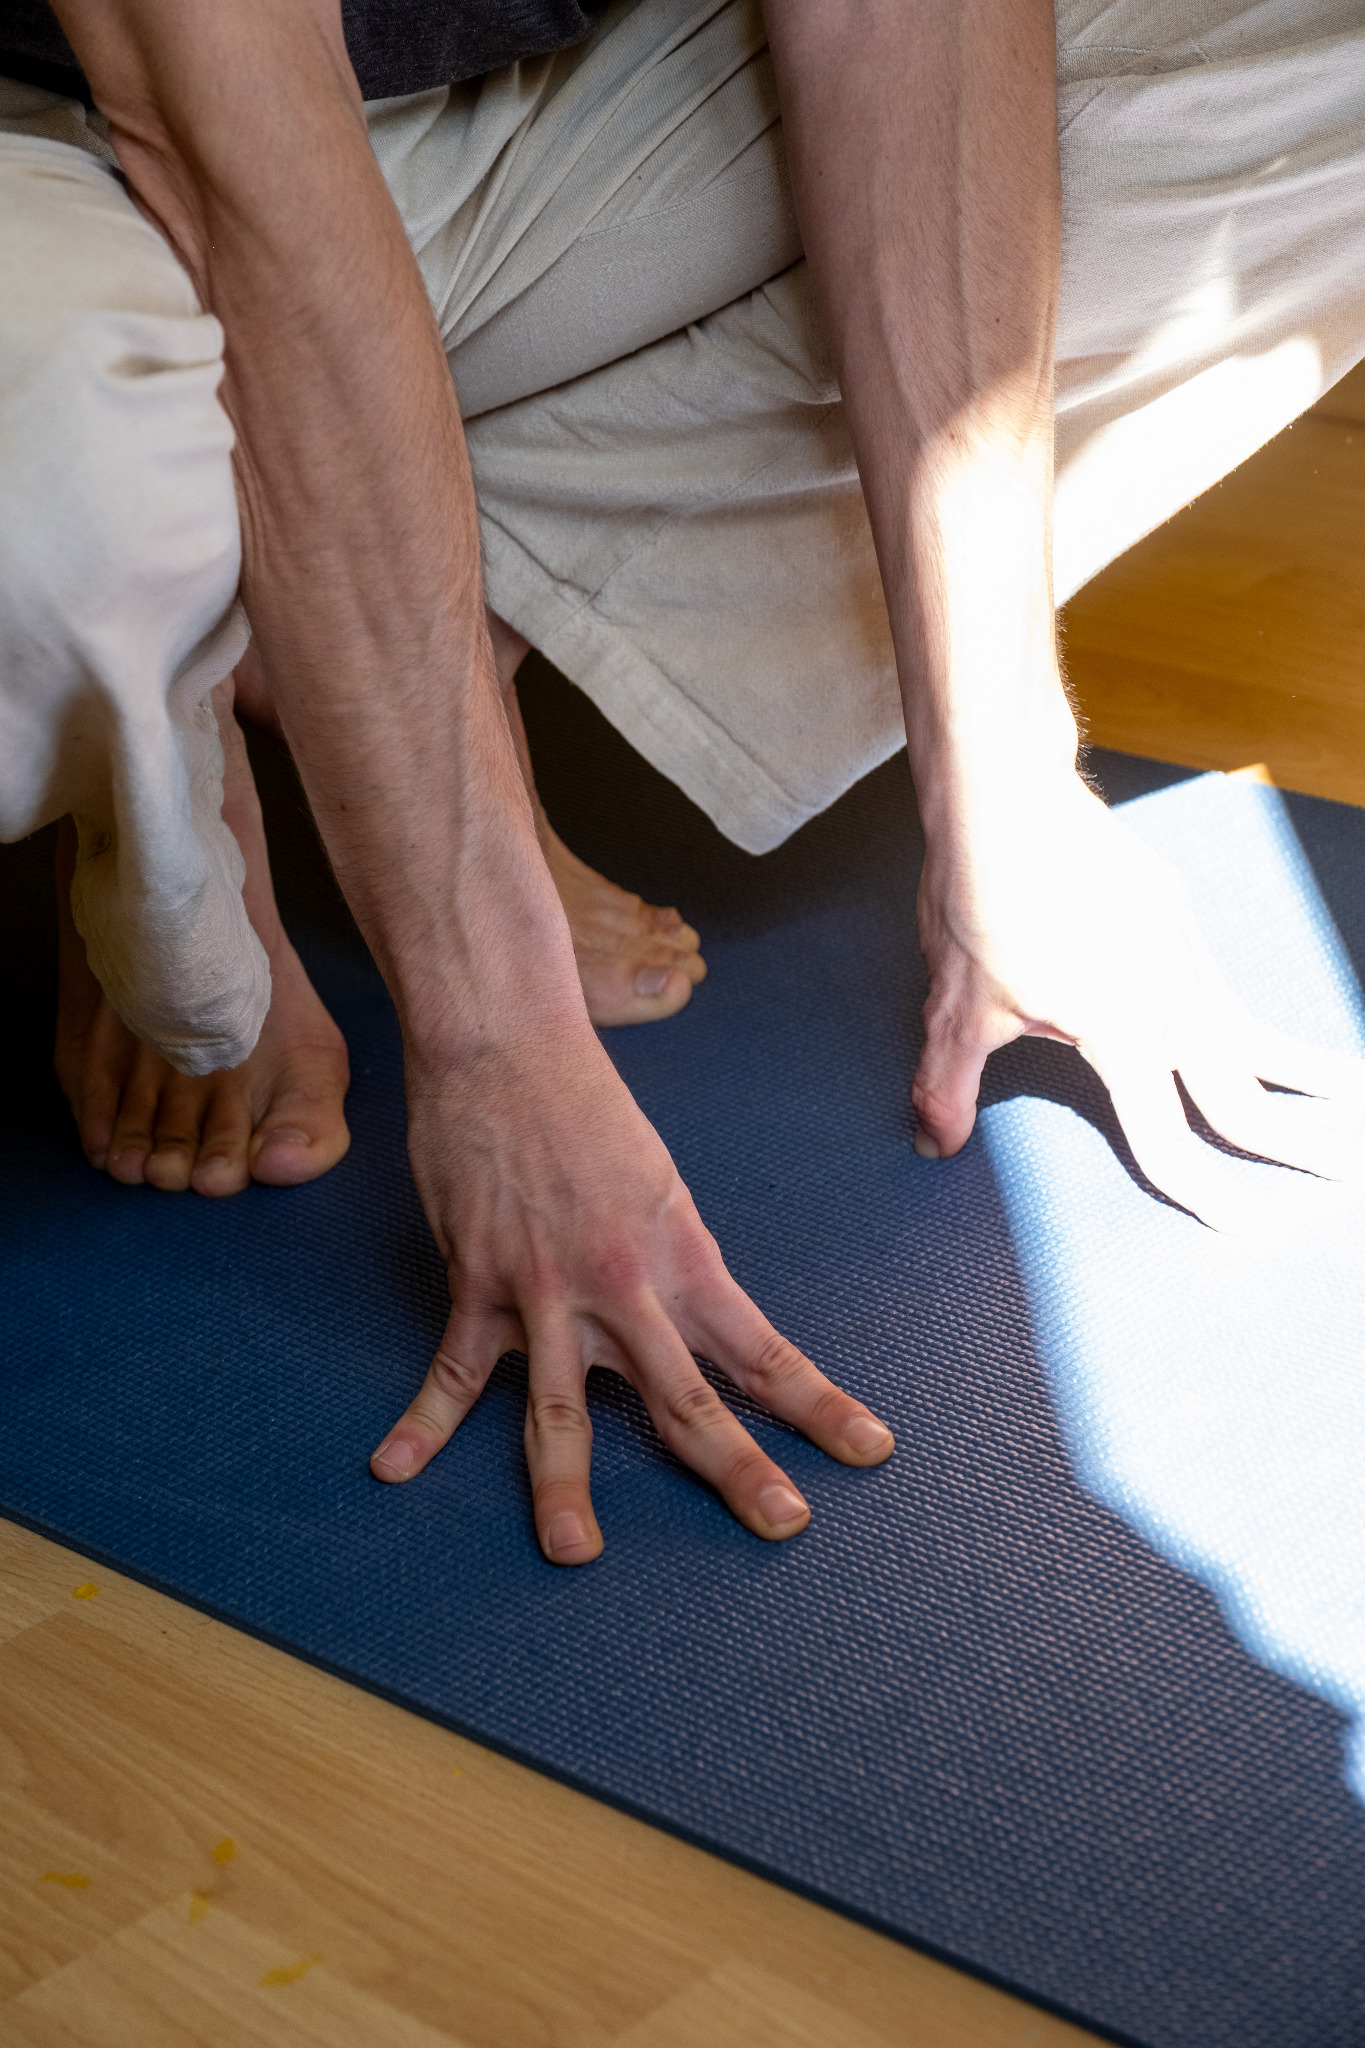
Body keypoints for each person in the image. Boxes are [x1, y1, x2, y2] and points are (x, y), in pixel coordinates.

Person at [2, 0, 1364, 1562]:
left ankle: (394, 632)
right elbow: (242, 179)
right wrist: (497, 1030)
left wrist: (1000, 779)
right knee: (38, 533)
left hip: (560, 89)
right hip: (70, 153)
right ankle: (175, 735)